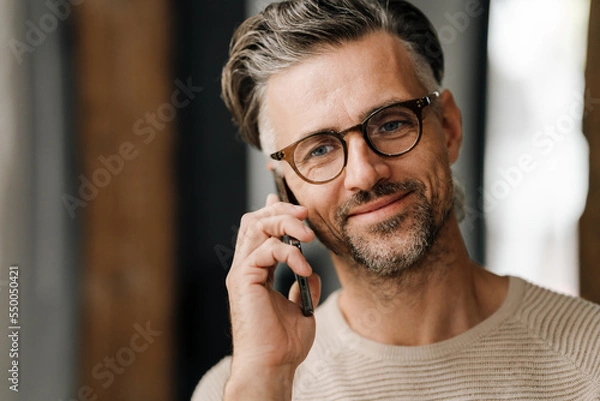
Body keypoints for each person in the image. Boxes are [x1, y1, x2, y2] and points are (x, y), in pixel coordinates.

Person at [193, 0, 600, 400]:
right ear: (286, 187)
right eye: (319, 150)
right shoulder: (239, 386)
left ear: (450, 127)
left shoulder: (591, 361)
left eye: (390, 123)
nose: (365, 174)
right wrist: (267, 379)